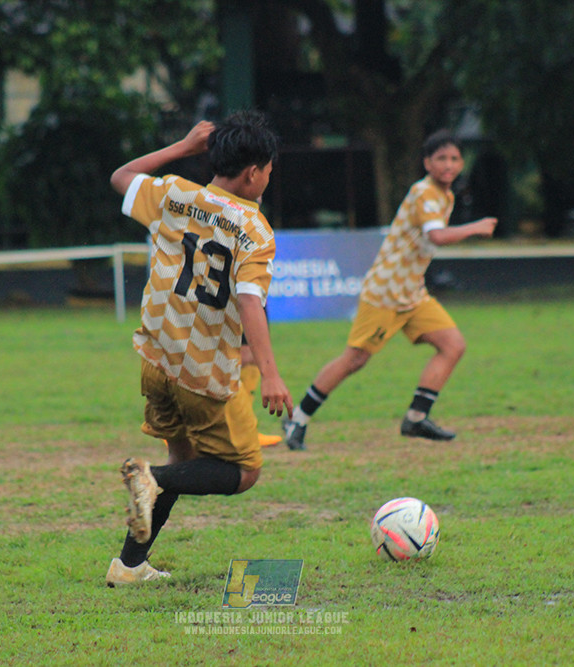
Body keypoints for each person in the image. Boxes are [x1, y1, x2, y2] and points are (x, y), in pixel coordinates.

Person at [106, 111, 293, 586]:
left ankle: (128, 567)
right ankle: (155, 481)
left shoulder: (174, 193)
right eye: (269, 170)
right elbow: (251, 302)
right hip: (204, 373)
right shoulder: (255, 229)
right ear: (253, 171)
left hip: (155, 360)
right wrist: (270, 374)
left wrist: (183, 148)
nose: (269, 179)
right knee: (244, 470)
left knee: (183, 459)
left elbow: (121, 177)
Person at [283, 130, 496, 451]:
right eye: (441, 158)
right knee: (355, 359)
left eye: (454, 158)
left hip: (412, 292)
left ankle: (416, 418)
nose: (448, 164)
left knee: (452, 345)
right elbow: (436, 237)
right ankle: (297, 418)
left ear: (462, 162)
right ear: (427, 162)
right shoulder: (424, 193)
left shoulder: (446, 195)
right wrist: (475, 227)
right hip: (385, 291)